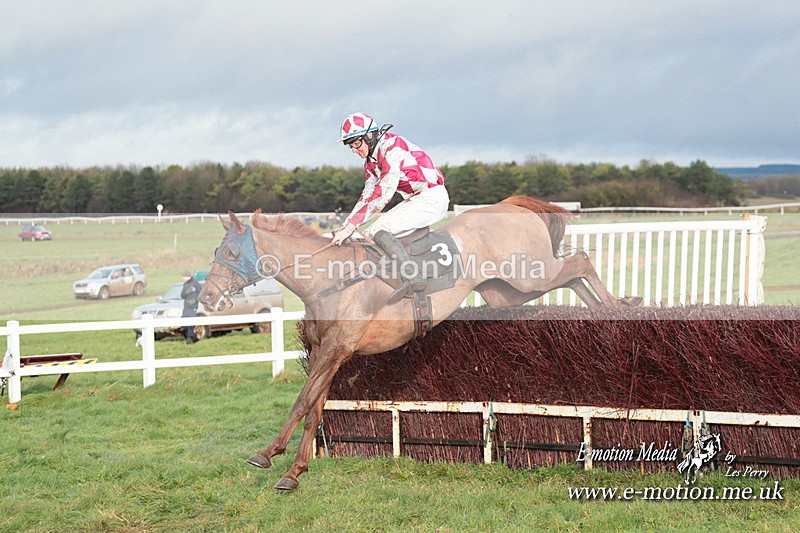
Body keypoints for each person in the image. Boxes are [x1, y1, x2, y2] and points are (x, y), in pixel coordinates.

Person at [332, 112, 450, 304]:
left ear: (370, 136)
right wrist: (347, 226)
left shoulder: (392, 147)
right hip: (415, 199)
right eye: (350, 145)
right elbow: (366, 197)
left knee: (379, 230)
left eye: (356, 143)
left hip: (431, 197)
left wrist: (351, 226)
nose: (354, 149)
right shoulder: (370, 162)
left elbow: (383, 194)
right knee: (368, 233)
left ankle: (413, 277)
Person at [180, 271, 202, 344]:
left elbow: (201, 293)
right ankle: (191, 337)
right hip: (186, 306)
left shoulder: (195, 283)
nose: (183, 278)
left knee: (190, 323)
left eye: (184, 276)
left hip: (193, 306)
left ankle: (190, 338)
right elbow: (182, 295)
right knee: (184, 323)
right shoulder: (185, 284)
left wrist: (195, 300)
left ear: (187, 276)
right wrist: (187, 292)